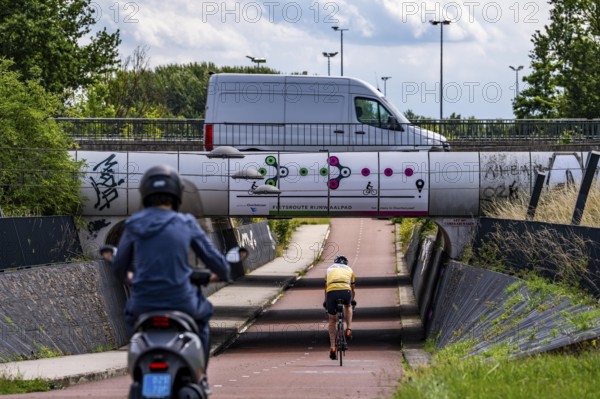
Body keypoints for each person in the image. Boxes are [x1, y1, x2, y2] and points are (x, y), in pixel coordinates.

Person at [111, 164, 231, 387]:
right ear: (176, 195)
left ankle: (139, 365)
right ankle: (200, 375)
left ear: (146, 194)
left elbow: (119, 266)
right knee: (203, 322)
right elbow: (219, 265)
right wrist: (218, 275)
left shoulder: (134, 224)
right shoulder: (186, 223)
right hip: (182, 301)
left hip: (143, 303)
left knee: (133, 322)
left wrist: (129, 278)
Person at [324, 255, 356, 360]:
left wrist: (326, 300)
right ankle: (349, 329)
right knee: (348, 305)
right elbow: (353, 288)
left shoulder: (329, 269)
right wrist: (352, 299)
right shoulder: (350, 270)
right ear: (345, 263)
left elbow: (326, 288)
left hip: (332, 292)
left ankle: (333, 347)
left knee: (332, 320)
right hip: (346, 291)